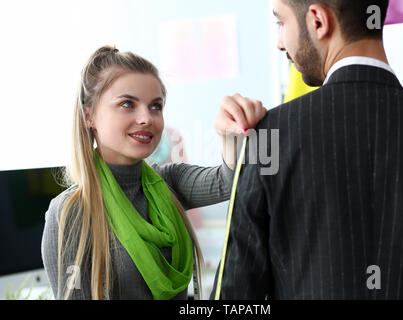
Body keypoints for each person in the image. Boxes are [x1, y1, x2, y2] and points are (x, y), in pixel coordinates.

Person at [212, 0, 403, 299]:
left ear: (318, 21)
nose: (279, 43)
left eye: (281, 23)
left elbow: (235, 294)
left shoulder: (268, 136)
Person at [41, 45, 267, 300]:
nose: (147, 118)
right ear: (89, 115)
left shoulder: (169, 182)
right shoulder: (71, 212)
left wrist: (231, 134)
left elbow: (229, 181)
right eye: (127, 104)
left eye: (156, 106)